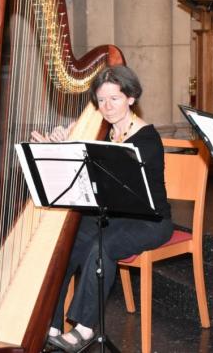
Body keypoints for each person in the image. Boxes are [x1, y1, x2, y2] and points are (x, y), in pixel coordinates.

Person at [31, 65, 174, 352]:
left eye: (115, 99)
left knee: (101, 246)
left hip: (150, 220)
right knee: (64, 245)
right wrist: (59, 148)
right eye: (101, 100)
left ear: (131, 97)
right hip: (110, 217)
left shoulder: (147, 140)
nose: (107, 107)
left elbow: (121, 188)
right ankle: (51, 323)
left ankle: (84, 328)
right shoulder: (101, 132)